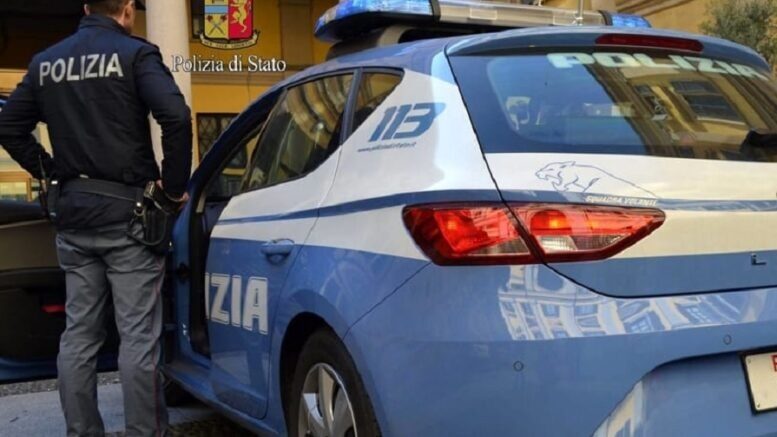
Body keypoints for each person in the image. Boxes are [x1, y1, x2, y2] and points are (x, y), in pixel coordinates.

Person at [0, 0, 192, 435]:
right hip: (130, 219)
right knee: (137, 337)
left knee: (79, 335)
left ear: (87, 7)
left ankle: (83, 431)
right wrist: (172, 188)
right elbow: (176, 116)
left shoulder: (46, 62)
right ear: (127, 9)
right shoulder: (135, 53)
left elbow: (8, 126)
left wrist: (52, 173)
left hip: (74, 218)